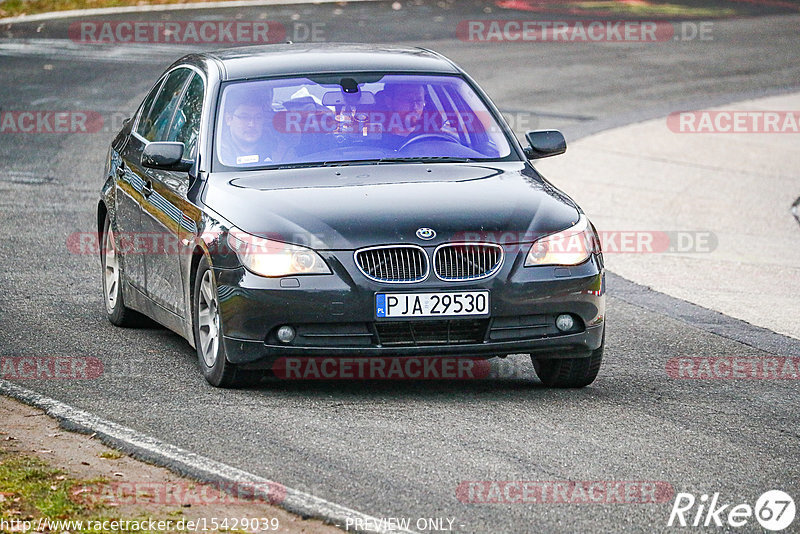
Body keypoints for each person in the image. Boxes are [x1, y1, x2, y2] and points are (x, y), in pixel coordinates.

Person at [218, 88, 275, 166]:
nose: (252, 124)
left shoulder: (277, 147)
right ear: (228, 119)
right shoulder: (217, 154)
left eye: (258, 117)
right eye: (244, 117)